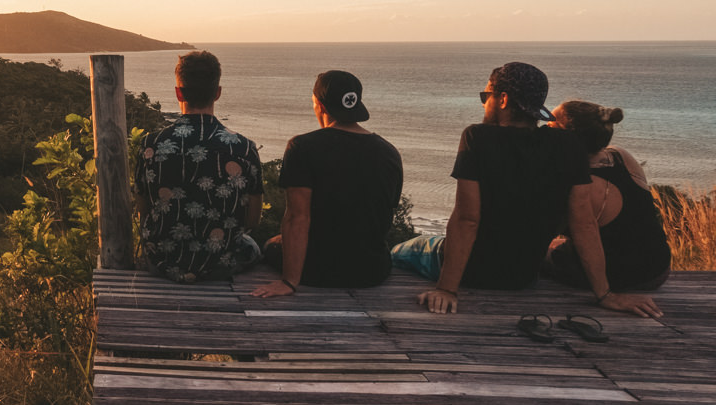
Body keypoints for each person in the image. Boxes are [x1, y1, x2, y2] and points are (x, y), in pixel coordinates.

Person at [393, 61, 660, 317]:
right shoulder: (569, 145)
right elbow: (584, 225)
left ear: (504, 99)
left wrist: (446, 289)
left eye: (487, 95)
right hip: (524, 276)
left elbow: (467, 219)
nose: (485, 103)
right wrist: (605, 294)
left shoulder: (477, 138)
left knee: (400, 251)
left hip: (474, 271)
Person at [251, 70, 402, 297]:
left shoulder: (302, 147)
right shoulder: (389, 152)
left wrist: (290, 281)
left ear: (320, 106)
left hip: (316, 271)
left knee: (271, 245)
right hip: (372, 272)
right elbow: (384, 215)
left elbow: (297, 218)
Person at [135, 50, 263, 283]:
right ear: (218, 93)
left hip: (163, 262)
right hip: (221, 264)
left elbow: (144, 212)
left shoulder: (150, 145)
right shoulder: (244, 149)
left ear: (178, 93)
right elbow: (252, 221)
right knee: (252, 245)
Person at [545, 101, 671, 291]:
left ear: (567, 139)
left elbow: (572, 235)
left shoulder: (580, 187)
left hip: (622, 277)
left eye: (551, 126)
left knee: (535, 254)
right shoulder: (621, 156)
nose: (544, 130)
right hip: (658, 269)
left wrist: (604, 295)